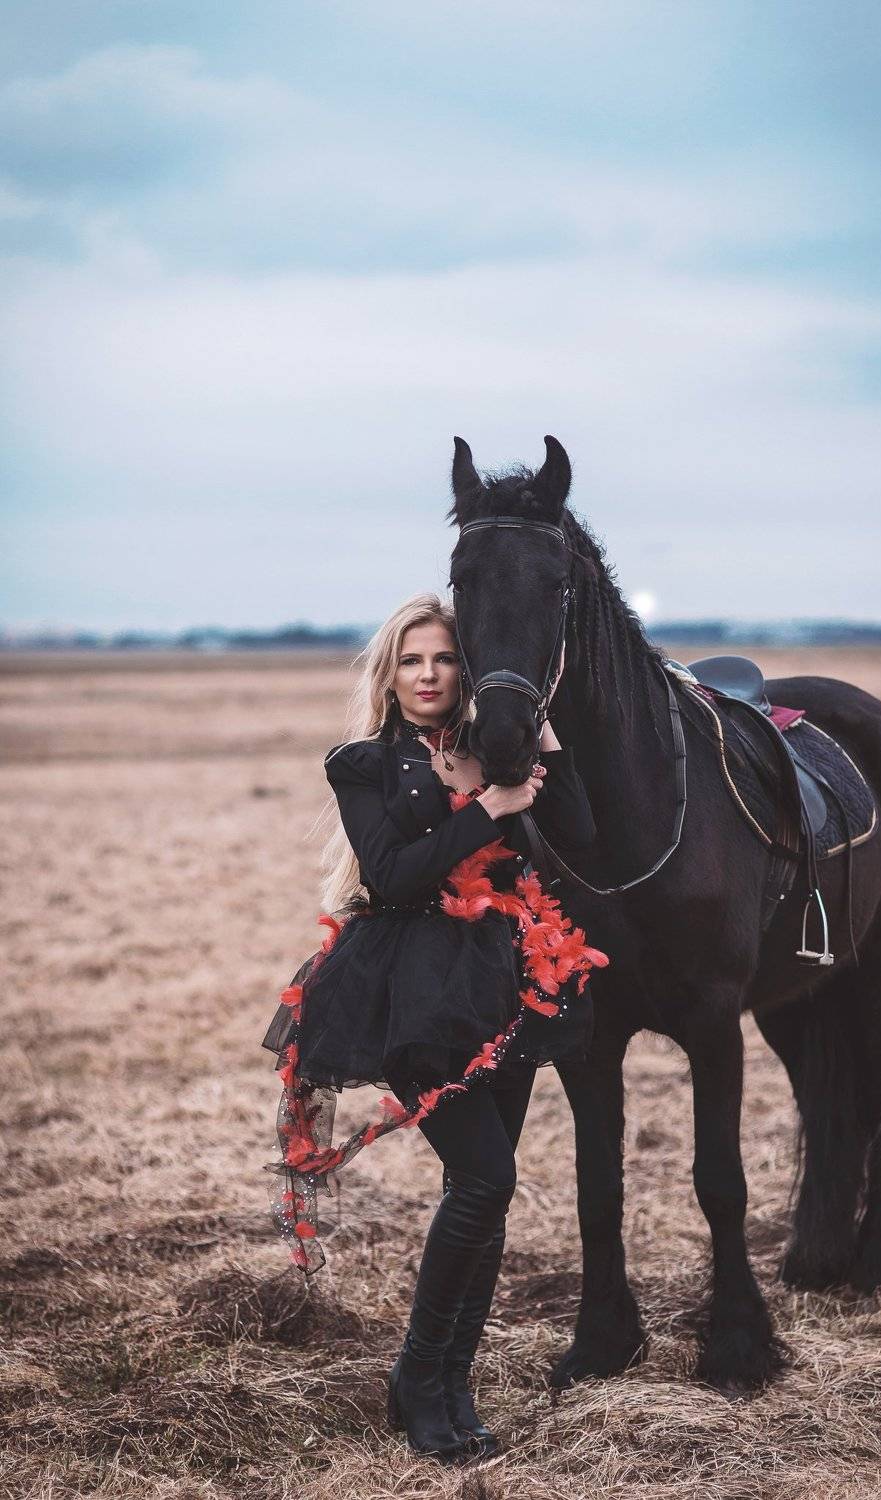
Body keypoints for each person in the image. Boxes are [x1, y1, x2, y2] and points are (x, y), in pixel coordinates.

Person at [261, 591, 605, 1464]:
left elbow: (582, 840)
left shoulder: (503, 753)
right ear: (389, 673)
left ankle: (451, 1381)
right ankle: (418, 1379)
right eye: (411, 660)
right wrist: (487, 807)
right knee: (484, 1179)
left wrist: (538, 761)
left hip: (507, 985)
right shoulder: (363, 763)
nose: (427, 674)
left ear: (467, 671)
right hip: (411, 992)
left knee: (483, 1195)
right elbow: (397, 874)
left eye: (443, 658)